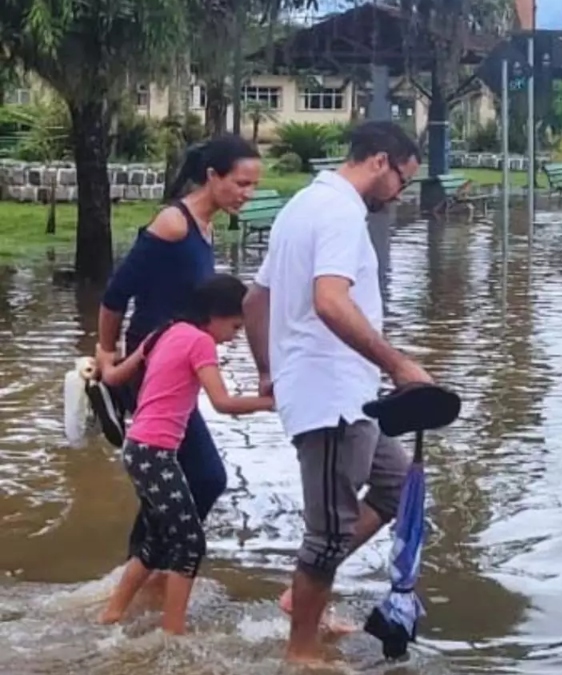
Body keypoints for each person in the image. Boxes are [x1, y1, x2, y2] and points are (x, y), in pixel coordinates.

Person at [241, 120, 433, 664]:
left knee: (396, 488)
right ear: (379, 162)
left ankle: (301, 599)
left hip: (349, 395)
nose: (400, 192)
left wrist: (267, 371)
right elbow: (329, 301)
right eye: (403, 180)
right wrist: (397, 364)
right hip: (330, 399)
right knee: (327, 535)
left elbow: (257, 301)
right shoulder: (341, 214)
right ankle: (301, 652)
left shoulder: (303, 204)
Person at [95, 134, 262, 602]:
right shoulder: (174, 222)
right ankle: (150, 566)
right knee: (205, 476)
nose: (246, 193)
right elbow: (116, 293)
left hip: (178, 362)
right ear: (213, 176)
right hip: (151, 365)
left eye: (253, 185)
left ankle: (145, 568)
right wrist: (106, 352)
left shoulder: (207, 227)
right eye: (241, 183)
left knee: (188, 475)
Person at [97, 275, 275, 634]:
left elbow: (114, 377)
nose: (235, 335)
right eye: (235, 326)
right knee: (190, 543)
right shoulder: (200, 342)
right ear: (215, 315)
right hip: (156, 454)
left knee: (157, 540)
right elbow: (223, 403)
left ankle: (112, 615)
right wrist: (273, 403)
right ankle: (173, 633)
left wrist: (101, 359)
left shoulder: (163, 332)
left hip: (137, 449)